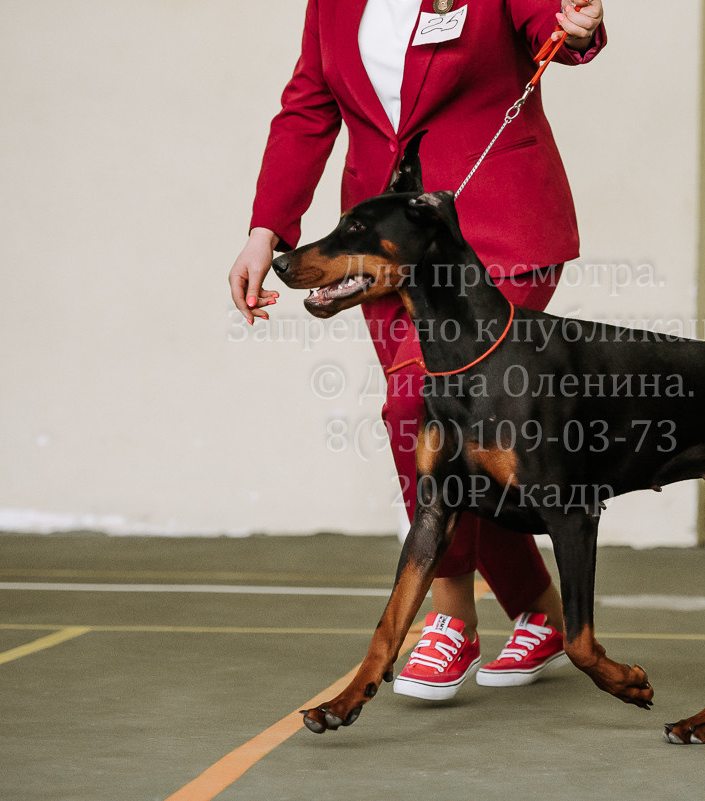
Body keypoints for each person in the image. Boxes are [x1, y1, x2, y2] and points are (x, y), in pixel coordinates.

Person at [228, 0, 605, 701]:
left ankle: (452, 614)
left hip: (497, 227)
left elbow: (552, 21)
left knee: (418, 410)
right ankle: (538, 610)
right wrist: (266, 230)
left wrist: (575, 25)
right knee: (454, 429)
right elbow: (309, 105)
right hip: (389, 250)